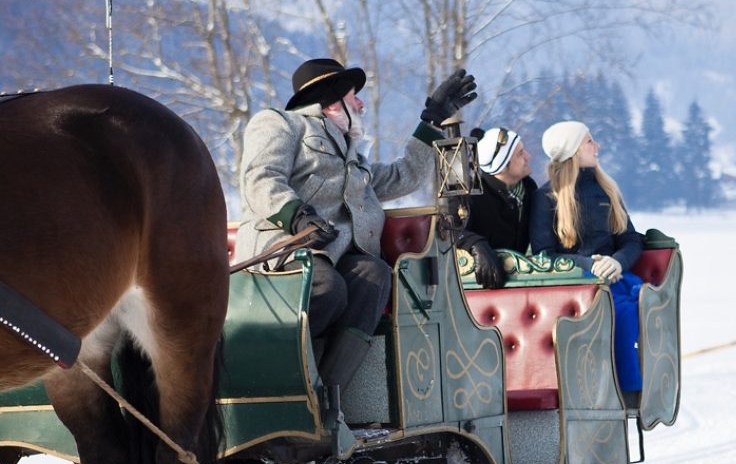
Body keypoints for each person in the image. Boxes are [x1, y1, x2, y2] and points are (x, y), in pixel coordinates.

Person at [234, 58, 477, 425]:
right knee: (327, 287)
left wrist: (431, 120)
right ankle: (266, 383)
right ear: (331, 103)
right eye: (354, 97)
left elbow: (404, 175)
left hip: (333, 257)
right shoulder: (281, 124)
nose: (361, 104)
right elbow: (259, 177)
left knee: (373, 274)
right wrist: (296, 214)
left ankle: (324, 403)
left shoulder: (353, 159)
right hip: (284, 253)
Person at [529, 120, 644, 395]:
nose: (597, 146)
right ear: (573, 151)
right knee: (618, 309)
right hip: (573, 285)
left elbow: (630, 239)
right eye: (589, 141)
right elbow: (545, 256)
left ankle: (631, 389)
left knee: (634, 303)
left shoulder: (608, 191)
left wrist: (617, 261)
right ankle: (620, 389)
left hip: (615, 277)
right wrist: (589, 266)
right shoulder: (546, 198)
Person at [457, 126, 537, 288]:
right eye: (520, 154)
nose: (528, 156)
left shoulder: (529, 189)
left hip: (520, 281)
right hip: (480, 284)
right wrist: (477, 244)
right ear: (502, 166)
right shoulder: (468, 194)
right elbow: (450, 230)